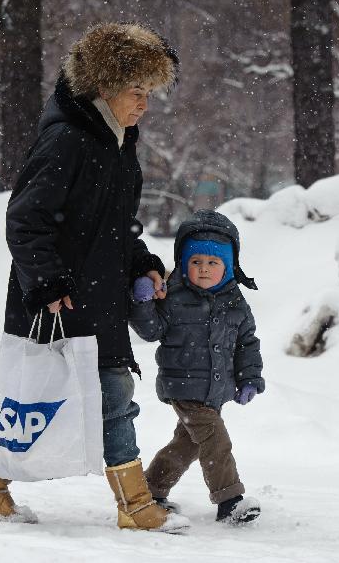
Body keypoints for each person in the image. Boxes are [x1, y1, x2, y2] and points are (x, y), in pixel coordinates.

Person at [0, 22, 189, 533]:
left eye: (150, 94)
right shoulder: (67, 140)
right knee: (82, 396)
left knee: (74, 396)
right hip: (60, 299)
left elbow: (113, 227)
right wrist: (45, 284)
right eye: (138, 93)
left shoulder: (118, 142)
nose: (145, 106)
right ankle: (133, 506)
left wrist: (143, 262)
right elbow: (25, 220)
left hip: (96, 296)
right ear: (105, 88)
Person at [128, 209, 265, 525]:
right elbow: (151, 331)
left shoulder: (235, 301)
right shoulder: (173, 295)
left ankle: (151, 490)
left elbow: (247, 342)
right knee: (216, 439)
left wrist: (249, 378)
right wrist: (142, 302)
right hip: (184, 386)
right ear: (184, 264)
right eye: (196, 262)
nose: (204, 269)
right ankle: (229, 500)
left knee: (185, 444)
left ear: (228, 266)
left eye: (213, 263)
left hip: (216, 390)